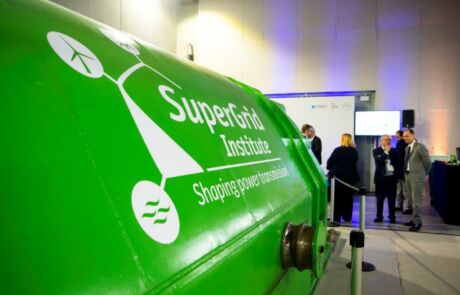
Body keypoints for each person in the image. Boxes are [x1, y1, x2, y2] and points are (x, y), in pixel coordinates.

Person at [402, 129, 431, 232]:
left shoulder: (420, 147)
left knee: (416, 202)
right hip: (408, 176)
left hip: (417, 177)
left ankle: (417, 223)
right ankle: (414, 219)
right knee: (410, 200)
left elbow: (427, 162)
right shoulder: (407, 148)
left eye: (407, 136)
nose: (405, 138)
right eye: (404, 136)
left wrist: (424, 174)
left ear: (413, 135)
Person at [327, 133, 359, 223]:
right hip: (350, 179)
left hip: (337, 179)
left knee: (336, 199)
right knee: (348, 199)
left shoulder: (337, 150)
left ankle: (336, 218)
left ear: (342, 139)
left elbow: (329, 163)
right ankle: (347, 217)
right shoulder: (354, 151)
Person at [373, 134, 398, 223]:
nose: (388, 141)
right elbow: (379, 161)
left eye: (389, 140)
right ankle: (379, 216)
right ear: (381, 141)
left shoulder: (394, 150)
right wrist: (386, 152)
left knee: (392, 199)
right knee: (380, 199)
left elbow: (396, 162)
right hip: (381, 179)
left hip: (391, 178)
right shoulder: (376, 150)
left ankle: (392, 217)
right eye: (386, 139)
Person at [394, 130, 408, 212]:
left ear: (402, 136)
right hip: (402, 170)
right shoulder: (404, 144)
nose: (396, 138)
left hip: (401, 170)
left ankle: (402, 206)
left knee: (402, 190)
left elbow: (399, 158)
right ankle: (406, 207)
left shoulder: (401, 144)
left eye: (398, 137)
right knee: (403, 190)